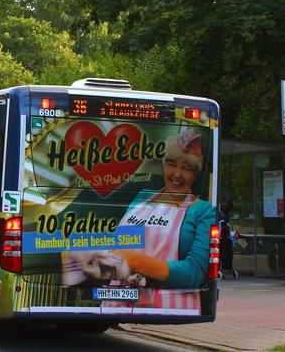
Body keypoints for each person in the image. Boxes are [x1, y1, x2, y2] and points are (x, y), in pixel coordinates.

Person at [64, 129, 215, 313]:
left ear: (195, 175)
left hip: (169, 308)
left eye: (186, 169)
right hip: (117, 304)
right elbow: (121, 242)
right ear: (163, 165)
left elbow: (196, 273)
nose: (177, 174)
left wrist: (136, 263)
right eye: (171, 165)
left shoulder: (203, 211)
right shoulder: (142, 197)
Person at [218, 201, 238, 279]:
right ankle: (220, 268)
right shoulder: (217, 213)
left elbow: (227, 225)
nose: (225, 208)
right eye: (224, 206)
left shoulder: (227, 215)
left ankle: (227, 268)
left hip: (225, 237)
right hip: (220, 237)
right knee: (220, 252)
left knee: (227, 252)